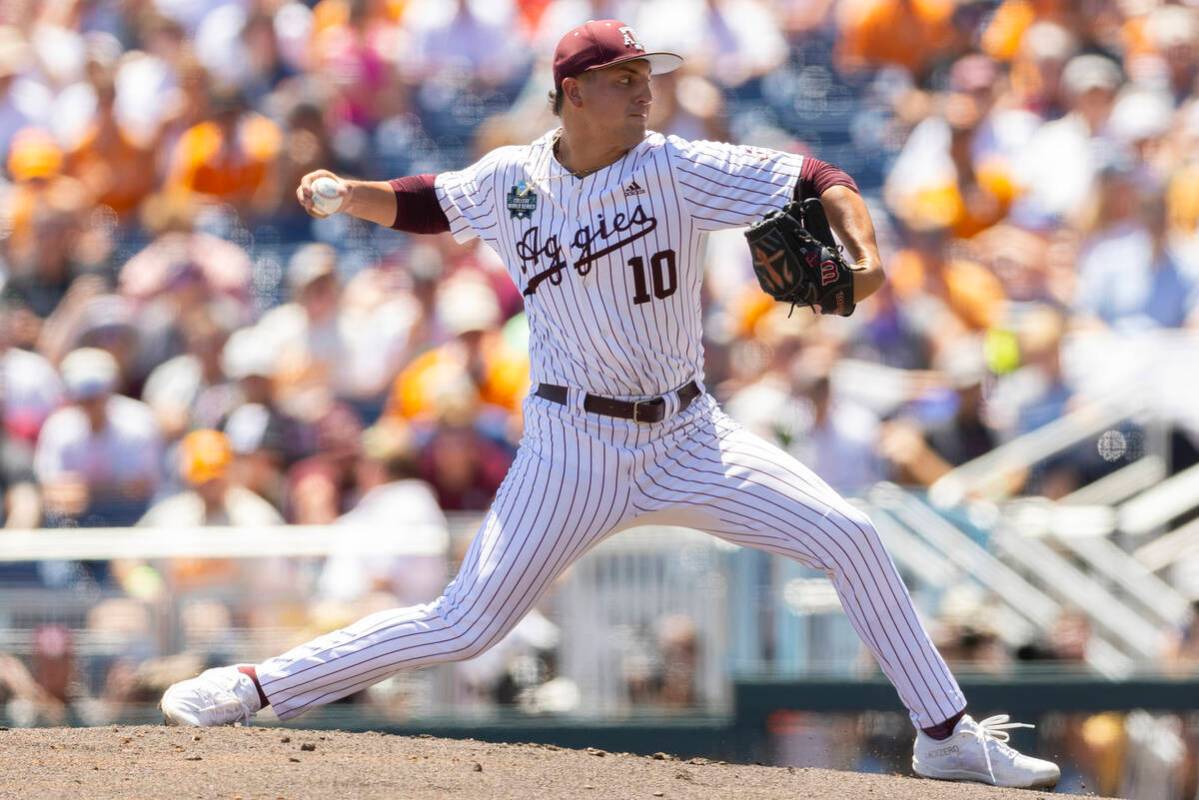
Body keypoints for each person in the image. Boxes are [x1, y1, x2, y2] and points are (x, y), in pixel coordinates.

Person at [160, 20, 1059, 790]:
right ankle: (253, 686)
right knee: (464, 624)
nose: (644, 92)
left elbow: (817, 176)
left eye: (646, 76)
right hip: (570, 444)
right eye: (624, 79)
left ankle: (944, 738)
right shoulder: (516, 179)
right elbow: (432, 202)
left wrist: (863, 259)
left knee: (850, 537)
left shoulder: (677, 167)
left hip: (687, 433)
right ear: (572, 92)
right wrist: (345, 195)